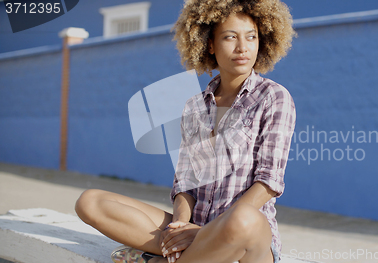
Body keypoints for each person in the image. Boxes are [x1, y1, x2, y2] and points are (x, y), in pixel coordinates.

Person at [75, 0, 296, 262]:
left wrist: (208, 232)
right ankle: (187, 250)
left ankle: (164, 257)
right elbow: (185, 184)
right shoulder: (195, 107)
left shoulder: (274, 97)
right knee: (90, 202)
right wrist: (180, 227)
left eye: (251, 37)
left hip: (246, 238)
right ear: (210, 44)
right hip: (196, 228)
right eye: (230, 37)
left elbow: (269, 182)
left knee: (243, 218)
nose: (243, 47)